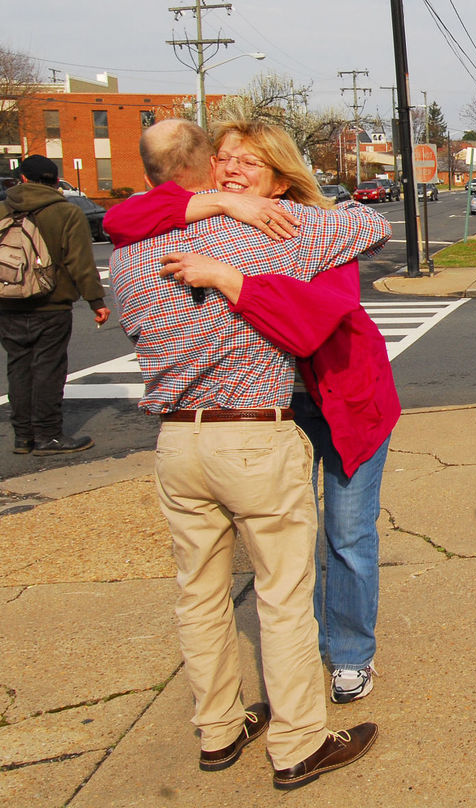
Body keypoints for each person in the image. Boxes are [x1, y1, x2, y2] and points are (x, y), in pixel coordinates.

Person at [108, 119, 390, 790]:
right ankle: (298, 744)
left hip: (177, 440)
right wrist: (255, 206)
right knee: (283, 597)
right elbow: (369, 226)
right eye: (226, 162)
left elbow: (123, 216)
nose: (234, 173)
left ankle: (219, 729)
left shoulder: (127, 251)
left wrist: (216, 201)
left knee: (199, 595)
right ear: (208, 167)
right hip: (254, 434)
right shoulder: (279, 229)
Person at [0, 154, 109, 455]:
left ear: (21, 178)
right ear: (54, 181)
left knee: (19, 367)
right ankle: (48, 435)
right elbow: (81, 263)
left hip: (8, 304)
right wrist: (96, 301)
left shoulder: (2, 210)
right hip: (52, 304)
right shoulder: (66, 213)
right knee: (48, 368)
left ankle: (23, 437)